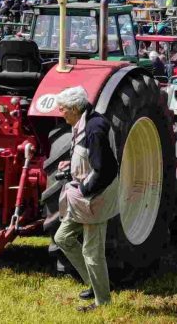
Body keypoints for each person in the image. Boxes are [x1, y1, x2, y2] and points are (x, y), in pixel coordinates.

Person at [52, 87, 119, 311]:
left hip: (94, 198)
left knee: (92, 252)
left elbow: (106, 170)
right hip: (83, 197)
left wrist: (84, 189)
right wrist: (69, 165)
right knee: (62, 237)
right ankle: (93, 282)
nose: (60, 114)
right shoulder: (83, 122)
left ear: (73, 108)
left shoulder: (95, 129)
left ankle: (102, 302)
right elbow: (87, 157)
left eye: (62, 110)